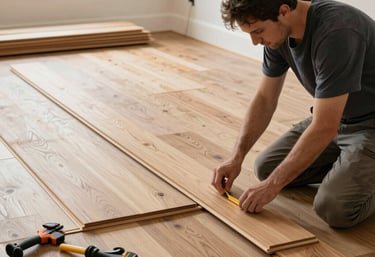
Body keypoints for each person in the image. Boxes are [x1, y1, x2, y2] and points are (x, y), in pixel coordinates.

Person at [211, 0, 375, 228]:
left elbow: (324, 126)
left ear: (284, 11)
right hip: (337, 119)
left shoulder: (337, 31)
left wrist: (272, 187)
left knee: (335, 207)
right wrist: (236, 156)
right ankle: (354, 169)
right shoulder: (278, 37)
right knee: (266, 168)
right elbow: (265, 99)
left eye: (258, 31)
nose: (255, 41)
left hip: (369, 125)